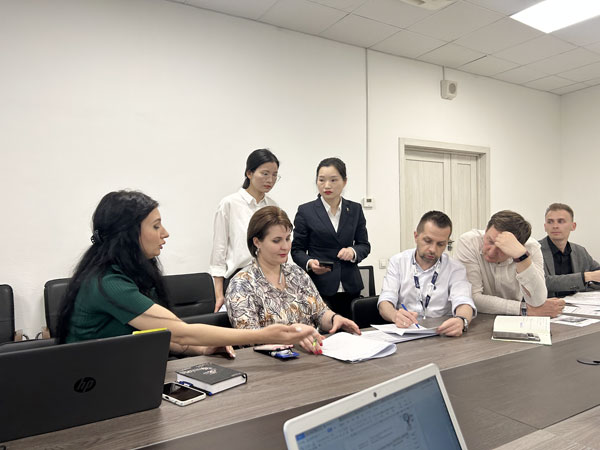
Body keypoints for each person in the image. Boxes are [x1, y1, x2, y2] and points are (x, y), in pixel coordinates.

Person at [57, 191, 316, 357]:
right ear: (128, 233)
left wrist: (202, 348)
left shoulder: (129, 275)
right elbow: (179, 331)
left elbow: (161, 335)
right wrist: (264, 335)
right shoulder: (108, 284)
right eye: (156, 226)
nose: (165, 233)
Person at [225, 206, 360, 354]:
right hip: (270, 364)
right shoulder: (241, 284)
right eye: (276, 241)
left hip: (310, 355)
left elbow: (320, 313)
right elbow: (249, 339)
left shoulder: (296, 273)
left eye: (288, 239)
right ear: (257, 242)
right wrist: (292, 336)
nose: (285, 246)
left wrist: (334, 319)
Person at [291, 157, 370, 319]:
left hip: (351, 286)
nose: (327, 186)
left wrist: (353, 252)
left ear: (344, 181)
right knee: (326, 336)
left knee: (352, 332)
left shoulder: (355, 209)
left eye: (333, 180)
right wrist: (310, 263)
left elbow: (364, 245)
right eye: (321, 180)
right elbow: (297, 250)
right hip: (320, 286)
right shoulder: (306, 211)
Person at [378, 211, 475, 337]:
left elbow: (463, 301)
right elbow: (385, 301)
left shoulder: (455, 268)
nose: (433, 249)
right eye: (428, 241)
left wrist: (461, 320)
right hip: (406, 332)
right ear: (416, 236)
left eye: (441, 244)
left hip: (441, 332)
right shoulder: (398, 262)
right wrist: (394, 315)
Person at [456, 210, 564, 317]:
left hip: (512, 320)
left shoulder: (531, 248)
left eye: (502, 248)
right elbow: (471, 297)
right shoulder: (469, 242)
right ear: (486, 230)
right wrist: (524, 309)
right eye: (490, 241)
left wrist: (521, 257)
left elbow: (537, 301)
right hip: (475, 318)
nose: (491, 252)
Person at [210, 149, 280, 312]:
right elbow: (218, 252)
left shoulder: (273, 206)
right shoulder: (229, 204)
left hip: (268, 279)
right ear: (249, 173)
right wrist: (219, 295)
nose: (270, 180)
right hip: (238, 281)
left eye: (275, 175)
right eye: (265, 174)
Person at [540, 203, 600, 297]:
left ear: (573, 226)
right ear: (545, 227)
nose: (555, 226)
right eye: (550, 222)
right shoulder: (534, 250)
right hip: (548, 308)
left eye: (561, 221)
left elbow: (597, 272)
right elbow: (542, 283)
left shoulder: (580, 251)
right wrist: (586, 277)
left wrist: (592, 278)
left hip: (578, 307)